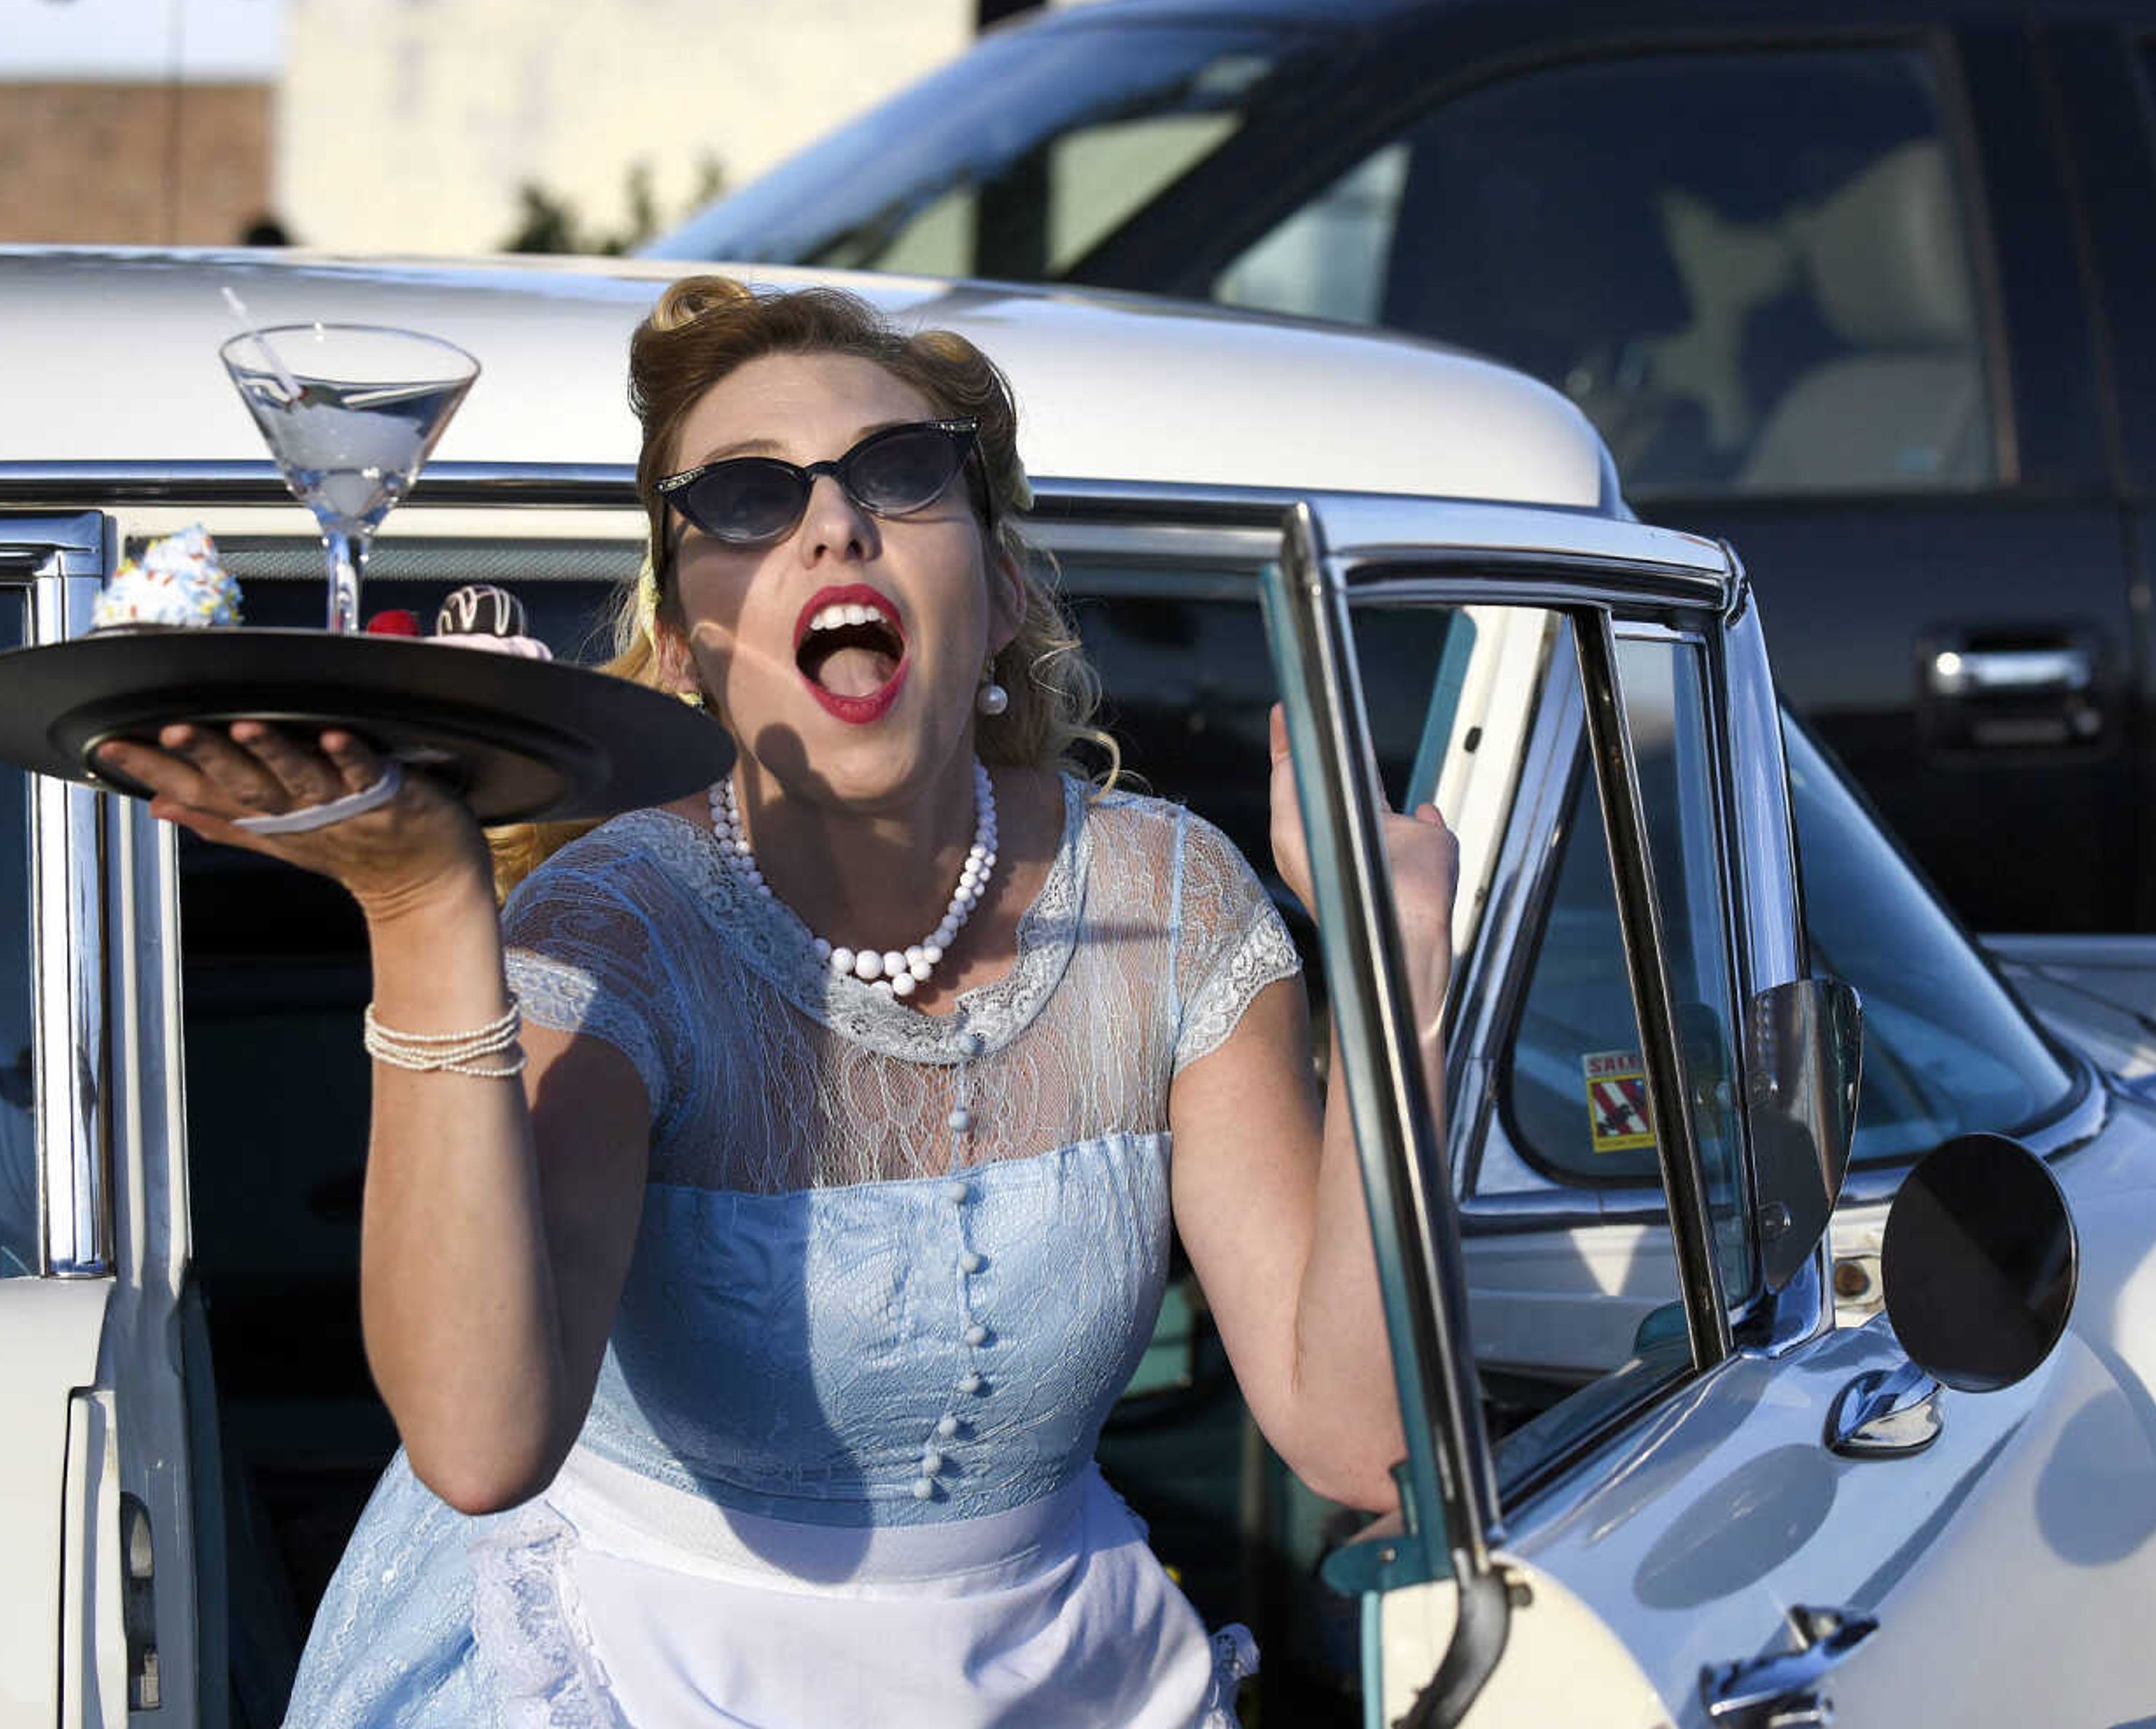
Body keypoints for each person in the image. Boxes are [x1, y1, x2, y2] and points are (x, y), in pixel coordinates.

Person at [95, 276, 1457, 1727]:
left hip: (1066, 1678)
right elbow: (483, 1447)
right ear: (683, 644)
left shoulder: (1176, 906)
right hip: (627, 1673)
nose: (833, 521)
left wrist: (1396, 984)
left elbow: (1360, 1442)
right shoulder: (620, 924)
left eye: (902, 471)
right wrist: (425, 906)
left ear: (998, 593)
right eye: (745, 497)